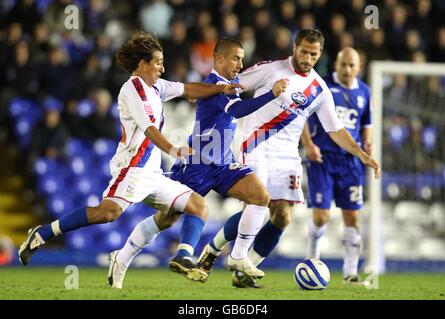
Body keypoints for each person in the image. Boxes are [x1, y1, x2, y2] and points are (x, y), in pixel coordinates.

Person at [18, 32, 242, 283]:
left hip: (153, 173)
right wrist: (173, 150)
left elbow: (188, 88)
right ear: (143, 64)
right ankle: (43, 233)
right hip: (133, 169)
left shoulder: (157, 86)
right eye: (158, 62)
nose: (163, 68)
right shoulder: (132, 89)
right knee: (107, 213)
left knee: (198, 206)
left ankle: (182, 256)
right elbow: (150, 129)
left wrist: (220, 89)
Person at [197, 29, 380, 288]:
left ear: (319, 55)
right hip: (256, 146)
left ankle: (243, 270)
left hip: (287, 155)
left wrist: (362, 154)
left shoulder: (319, 88)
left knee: (282, 216)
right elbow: (231, 83)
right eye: (303, 51)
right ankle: (218, 252)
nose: (307, 58)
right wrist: (203, 91)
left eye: (313, 54)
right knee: (257, 202)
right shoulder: (271, 69)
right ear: (294, 47)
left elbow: (336, 130)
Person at [107, 38, 289, 289]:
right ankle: (124, 255)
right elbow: (236, 111)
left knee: (260, 196)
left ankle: (238, 257)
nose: (240, 63)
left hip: (224, 164)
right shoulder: (213, 85)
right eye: (236, 58)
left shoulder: (229, 85)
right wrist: (272, 94)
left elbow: (244, 84)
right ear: (219, 59)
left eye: (242, 58)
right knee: (167, 219)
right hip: (199, 164)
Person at [301, 47, 372, 284]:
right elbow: (300, 115)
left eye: (352, 65)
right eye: (343, 64)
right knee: (321, 216)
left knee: (352, 215)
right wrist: (309, 145)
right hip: (322, 158)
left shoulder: (365, 92)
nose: (347, 69)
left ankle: (350, 272)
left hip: (350, 162)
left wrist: (367, 143)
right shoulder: (321, 86)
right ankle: (312, 260)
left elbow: (366, 123)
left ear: (359, 68)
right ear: (336, 65)